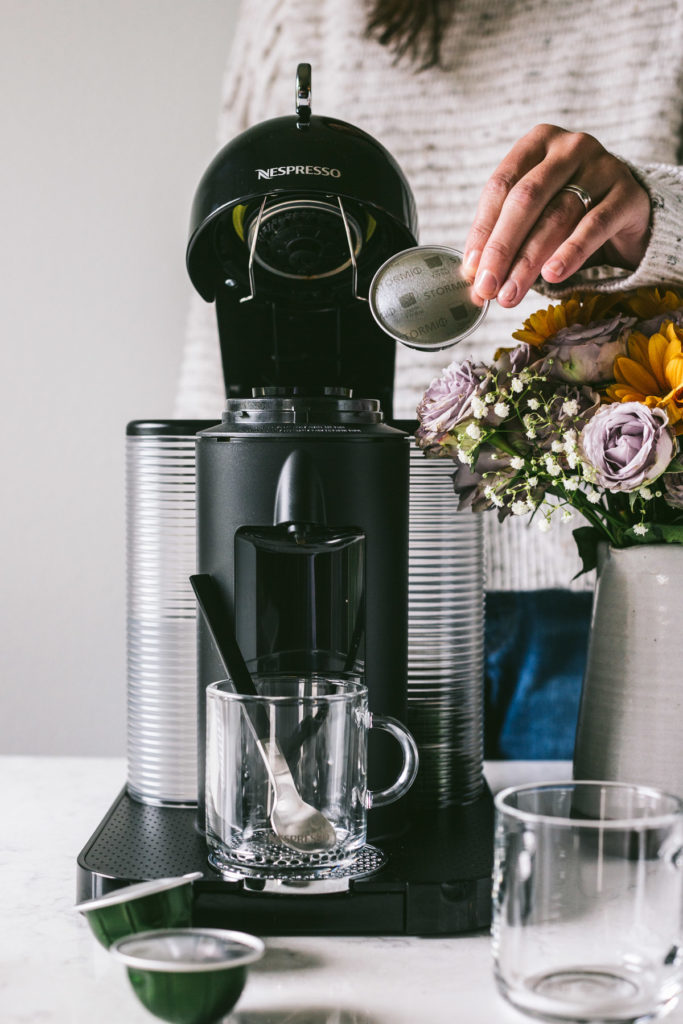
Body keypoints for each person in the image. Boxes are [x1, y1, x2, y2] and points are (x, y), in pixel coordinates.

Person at [175, 0, 683, 757]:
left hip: (586, 591)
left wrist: (655, 217)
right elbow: (221, 294)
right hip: (349, 592)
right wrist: (199, 544)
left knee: (580, 867)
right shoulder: (294, 14)